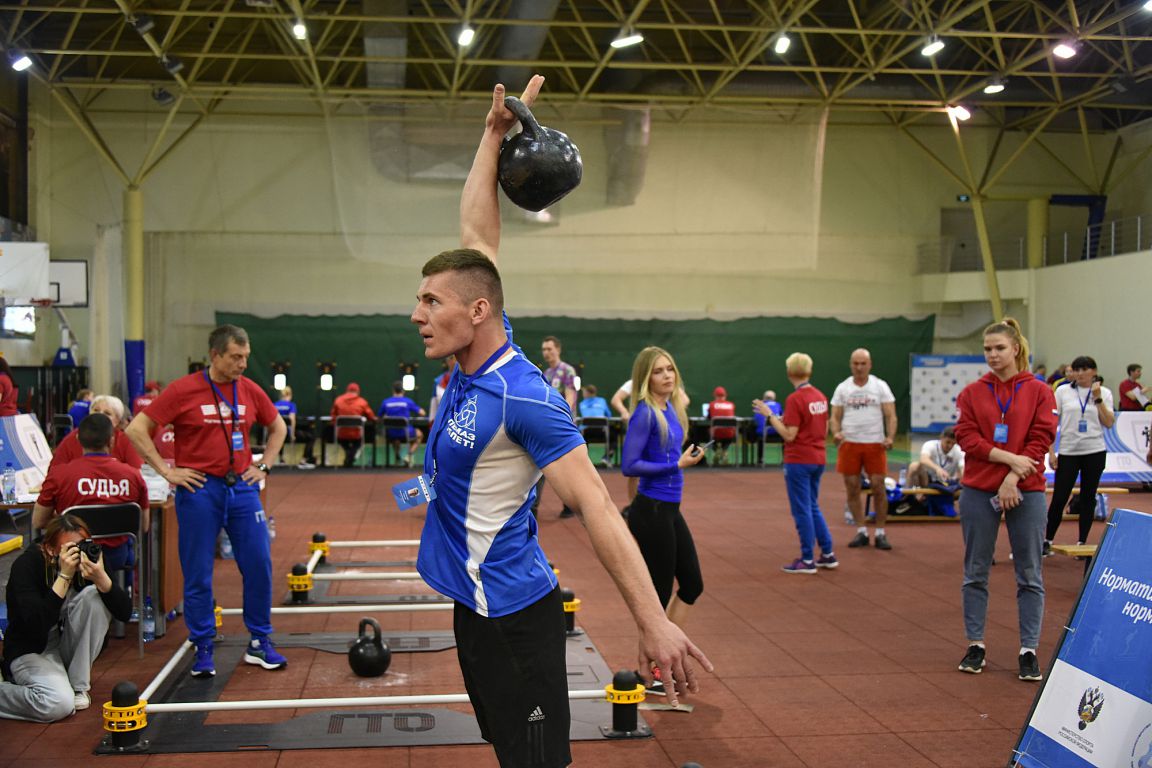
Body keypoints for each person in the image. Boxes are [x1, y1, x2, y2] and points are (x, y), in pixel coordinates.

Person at [409, 74, 710, 768]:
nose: (418, 314)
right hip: (475, 607)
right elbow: (476, 234)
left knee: (538, 762)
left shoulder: (525, 398)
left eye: (430, 302)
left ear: (475, 312)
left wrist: (652, 620)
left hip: (516, 616)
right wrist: (491, 138)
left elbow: (598, 504)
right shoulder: (475, 355)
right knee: (508, 750)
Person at [125, 324, 288, 679]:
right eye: (235, 357)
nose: (243, 364)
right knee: (198, 570)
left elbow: (278, 427)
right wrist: (167, 471)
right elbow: (136, 429)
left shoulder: (249, 389)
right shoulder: (183, 390)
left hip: (242, 487)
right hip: (200, 489)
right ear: (215, 355)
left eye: (246, 356)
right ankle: (202, 645)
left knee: (259, 564)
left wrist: (265, 465)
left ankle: (259, 640)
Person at [953, 317, 1057, 682]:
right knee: (975, 571)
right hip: (979, 489)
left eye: (999, 348)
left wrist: (1013, 477)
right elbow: (967, 438)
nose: (993, 354)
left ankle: (1028, 650)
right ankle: (975, 645)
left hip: (1025, 489)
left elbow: (1041, 439)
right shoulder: (972, 392)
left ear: (1015, 348)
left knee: (1030, 573)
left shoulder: (1039, 390)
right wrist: (1009, 459)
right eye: (987, 349)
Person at [0, 514, 132, 721]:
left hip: (65, 645)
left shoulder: (91, 558)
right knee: (58, 704)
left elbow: (124, 613)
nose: (78, 554)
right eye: (71, 549)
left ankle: (78, 686)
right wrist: (64, 577)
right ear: (50, 549)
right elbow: (36, 626)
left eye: (83, 545)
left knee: (95, 596)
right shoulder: (27, 566)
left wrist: (101, 578)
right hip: (32, 649)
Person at [621, 346, 706, 631]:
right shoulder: (644, 413)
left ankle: (667, 649)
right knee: (659, 595)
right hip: (651, 511)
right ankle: (653, 656)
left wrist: (682, 460)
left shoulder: (670, 409)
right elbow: (629, 465)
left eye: (670, 369)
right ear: (646, 378)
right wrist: (677, 465)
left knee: (692, 584)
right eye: (658, 371)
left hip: (668, 509)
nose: (667, 376)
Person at [32, 413, 150, 577]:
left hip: (72, 556)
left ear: (78, 439)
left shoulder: (59, 475)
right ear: (111, 441)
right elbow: (143, 525)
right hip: (117, 557)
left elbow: (38, 521)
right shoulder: (134, 476)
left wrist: (66, 521)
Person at [754, 353, 836, 574]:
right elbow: (822, 428)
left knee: (802, 510)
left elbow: (789, 435)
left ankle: (807, 559)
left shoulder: (795, 399)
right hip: (818, 457)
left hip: (799, 459)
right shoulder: (820, 396)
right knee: (813, 506)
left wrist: (770, 416)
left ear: (789, 372)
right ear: (809, 371)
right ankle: (827, 553)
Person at [1044, 356, 1114, 554]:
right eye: (1077, 369)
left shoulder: (1104, 393)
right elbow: (1051, 423)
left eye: (1085, 369)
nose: (1080, 373)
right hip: (1068, 451)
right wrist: (1051, 452)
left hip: (1095, 451)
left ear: (1094, 371)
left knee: (1088, 497)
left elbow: (1109, 422)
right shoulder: (1062, 391)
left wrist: (1098, 398)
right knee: (1059, 497)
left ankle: (1082, 542)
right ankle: (1047, 540)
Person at [830, 348, 898, 550]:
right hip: (849, 443)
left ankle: (880, 532)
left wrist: (890, 436)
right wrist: (836, 432)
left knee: (878, 486)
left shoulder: (880, 386)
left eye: (863, 363)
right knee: (852, 487)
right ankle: (861, 530)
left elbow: (891, 415)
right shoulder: (843, 388)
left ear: (870, 365)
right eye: (856, 363)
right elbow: (835, 416)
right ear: (851, 365)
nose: (859, 367)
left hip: (874, 443)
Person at [533, 335, 579, 518]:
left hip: (563, 428)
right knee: (541, 468)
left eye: (549, 349)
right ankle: (533, 508)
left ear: (558, 349)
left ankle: (571, 505)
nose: (546, 353)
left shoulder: (568, 371)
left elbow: (571, 397)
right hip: (546, 428)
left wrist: (561, 420)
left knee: (567, 470)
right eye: (544, 349)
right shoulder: (545, 374)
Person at [50, 395, 143, 471]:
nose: (100, 414)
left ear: (117, 421)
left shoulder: (125, 441)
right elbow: (55, 470)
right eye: (96, 410)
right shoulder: (72, 438)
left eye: (107, 413)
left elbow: (136, 472)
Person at [378, 380, 426, 467]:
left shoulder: (386, 402)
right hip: (406, 432)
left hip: (391, 433)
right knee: (419, 435)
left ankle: (397, 456)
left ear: (393, 390)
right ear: (403, 391)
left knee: (395, 438)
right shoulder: (407, 401)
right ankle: (409, 455)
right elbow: (422, 413)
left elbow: (379, 417)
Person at [330, 382, 376, 468]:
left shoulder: (338, 400)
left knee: (337, 436)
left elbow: (333, 417)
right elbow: (371, 416)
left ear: (347, 390)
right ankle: (350, 455)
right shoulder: (362, 402)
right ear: (358, 391)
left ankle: (348, 454)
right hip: (357, 434)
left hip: (341, 434)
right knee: (363, 438)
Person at [907, 426, 964, 490]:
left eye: (953, 443)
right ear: (941, 437)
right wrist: (937, 469)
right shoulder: (930, 444)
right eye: (948, 442)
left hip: (948, 482)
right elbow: (923, 459)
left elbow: (963, 468)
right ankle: (910, 492)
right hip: (927, 480)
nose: (950, 446)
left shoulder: (958, 450)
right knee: (914, 466)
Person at [273, 386, 316, 469]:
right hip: (287, 434)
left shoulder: (275, 405)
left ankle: (281, 459)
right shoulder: (291, 405)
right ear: (290, 395)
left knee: (281, 438)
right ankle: (303, 460)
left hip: (276, 434)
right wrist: (292, 435)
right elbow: (292, 419)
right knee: (311, 437)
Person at [752, 389, 784, 464]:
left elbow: (756, 418)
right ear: (774, 398)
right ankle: (785, 459)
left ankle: (760, 459)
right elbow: (781, 417)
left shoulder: (758, 405)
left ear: (764, 398)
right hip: (777, 433)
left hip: (762, 434)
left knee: (756, 433)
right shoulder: (777, 405)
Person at [707, 386, 737, 465]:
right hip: (729, 434)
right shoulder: (731, 405)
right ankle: (724, 451)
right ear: (725, 395)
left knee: (707, 433)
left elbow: (709, 417)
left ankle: (717, 450)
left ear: (715, 395)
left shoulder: (712, 404)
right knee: (729, 433)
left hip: (715, 433)